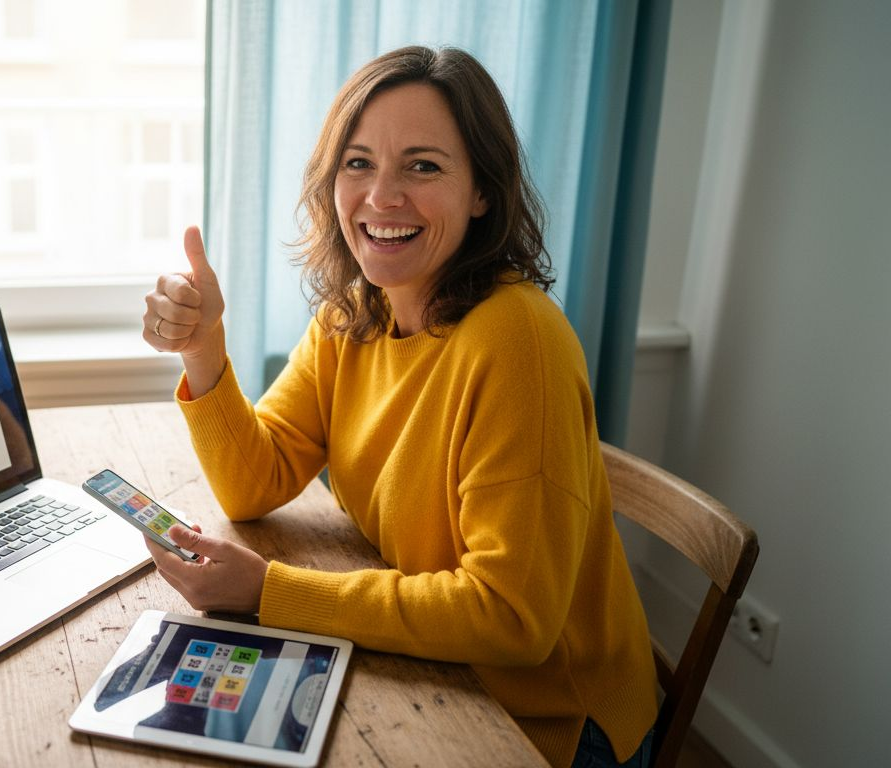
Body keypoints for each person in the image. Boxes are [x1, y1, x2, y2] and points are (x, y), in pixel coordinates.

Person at [140, 46, 658, 768]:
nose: (382, 196)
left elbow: (512, 622)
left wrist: (271, 592)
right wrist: (204, 351)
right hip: (440, 667)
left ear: (482, 190)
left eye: (423, 165)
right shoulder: (356, 312)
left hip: (548, 719)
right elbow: (252, 482)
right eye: (358, 163)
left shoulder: (518, 342)